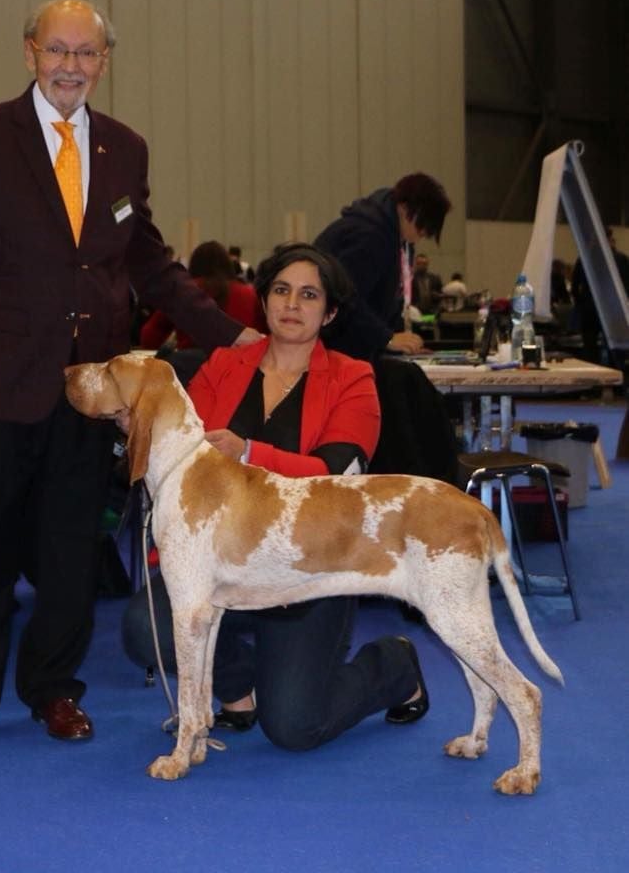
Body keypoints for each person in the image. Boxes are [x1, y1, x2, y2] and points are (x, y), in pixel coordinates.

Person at [0, 0, 261, 755]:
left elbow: (149, 262)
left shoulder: (124, 149)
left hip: (92, 399)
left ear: (104, 62)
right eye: (58, 50)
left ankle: (54, 689)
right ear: (30, 52)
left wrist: (233, 333)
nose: (70, 66)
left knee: (73, 552)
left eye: (86, 53)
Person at [122, 242, 429, 751]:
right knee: (141, 627)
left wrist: (248, 452)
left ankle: (394, 665)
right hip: (219, 565)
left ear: (330, 313)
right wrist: (135, 426)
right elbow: (178, 449)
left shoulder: (354, 378)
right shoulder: (222, 365)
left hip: (312, 569)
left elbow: (334, 475)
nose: (292, 303)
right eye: (281, 290)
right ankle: (237, 689)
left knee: (294, 727)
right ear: (263, 301)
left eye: (309, 295)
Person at [313, 173, 452, 361]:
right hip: (332, 347)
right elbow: (346, 298)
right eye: (422, 225)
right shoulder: (369, 237)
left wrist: (402, 341)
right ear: (403, 208)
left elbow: (385, 302)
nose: (425, 233)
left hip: (355, 346)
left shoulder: (399, 240)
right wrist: (387, 338)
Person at [139, 240, 265, 351]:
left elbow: (149, 336)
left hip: (191, 366)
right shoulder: (250, 294)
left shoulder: (182, 292)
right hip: (241, 366)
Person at [571, 229, 629, 364]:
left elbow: (575, 287)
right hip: (613, 309)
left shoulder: (584, 259)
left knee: (590, 347)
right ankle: (616, 373)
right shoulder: (621, 259)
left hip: (590, 309)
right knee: (614, 348)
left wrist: (581, 304)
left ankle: (593, 374)